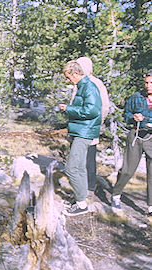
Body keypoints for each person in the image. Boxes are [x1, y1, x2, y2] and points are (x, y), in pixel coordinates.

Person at [60, 60, 102, 216]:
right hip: (82, 131)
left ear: (75, 73)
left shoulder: (89, 87)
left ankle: (81, 205)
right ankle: (82, 200)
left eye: (68, 77)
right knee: (80, 168)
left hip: (84, 133)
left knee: (71, 169)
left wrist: (69, 109)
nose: (67, 80)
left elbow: (92, 110)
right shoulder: (83, 86)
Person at [111, 70, 152, 218]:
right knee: (128, 169)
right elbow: (126, 114)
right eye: (146, 82)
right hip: (136, 135)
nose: (148, 86)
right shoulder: (136, 97)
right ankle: (116, 195)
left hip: (151, 138)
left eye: (151, 83)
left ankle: (150, 207)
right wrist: (133, 117)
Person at [75, 57, 110, 199]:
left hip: (90, 127)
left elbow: (104, 107)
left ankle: (89, 188)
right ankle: (80, 188)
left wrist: (97, 123)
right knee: (79, 159)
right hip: (78, 128)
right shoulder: (78, 83)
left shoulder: (96, 83)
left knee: (89, 158)